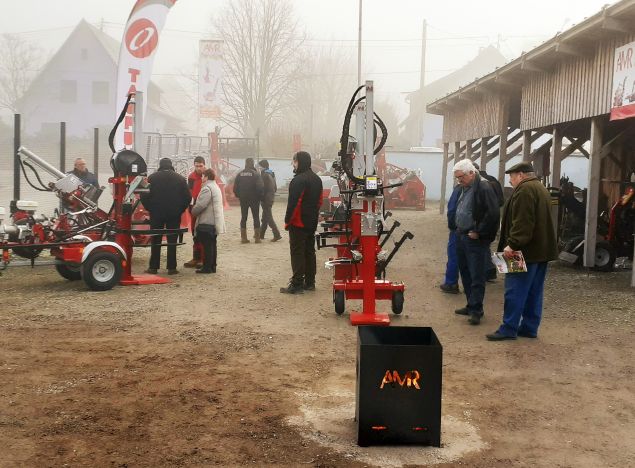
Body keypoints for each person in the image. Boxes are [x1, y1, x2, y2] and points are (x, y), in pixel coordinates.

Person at [486, 162, 558, 341]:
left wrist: (513, 244)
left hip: (523, 252)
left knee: (514, 290)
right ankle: (529, 327)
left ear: (520, 174)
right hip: (541, 251)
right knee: (534, 292)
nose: (510, 181)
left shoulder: (524, 190)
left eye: (511, 176)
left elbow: (523, 221)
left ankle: (508, 328)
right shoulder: (540, 188)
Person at [451, 159, 500, 325]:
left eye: (461, 177)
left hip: (474, 239)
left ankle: (477, 310)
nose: (459, 180)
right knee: (464, 272)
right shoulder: (465, 187)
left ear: (471, 173)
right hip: (462, 235)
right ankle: (471, 304)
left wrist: (479, 231)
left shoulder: (484, 187)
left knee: (476, 274)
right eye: (457, 178)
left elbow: (493, 214)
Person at [280, 151, 323, 294]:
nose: (293, 164)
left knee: (297, 252)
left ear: (299, 162)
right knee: (310, 251)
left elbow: (294, 203)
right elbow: (319, 202)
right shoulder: (317, 179)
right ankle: (310, 282)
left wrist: (287, 220)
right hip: (311, 221)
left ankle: (297, 283)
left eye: (294, 161)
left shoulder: (298, 180)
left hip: (298, 222)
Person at [141, 158, 191, 275]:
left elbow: (143, 195)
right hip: (174, 214)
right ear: (171, 165)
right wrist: (180, 209)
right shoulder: (180, 179)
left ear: (160, 165)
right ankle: (172, 268)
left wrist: (150, 208)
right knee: (172, 240)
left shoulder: (152, 178)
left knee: (156, 240)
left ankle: (153, 267)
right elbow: (188, 197)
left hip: (156, 213)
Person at [473, 161, 505, 282]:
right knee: (486, 246)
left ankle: (488, 272)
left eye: (512, 176)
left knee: (483, 246)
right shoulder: (493, 180)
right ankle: (490, 271)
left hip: (487, 221)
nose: (510, 181)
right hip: (494, 221)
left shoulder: (482, 184)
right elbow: (501, 202)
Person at [191, 168, 226, 274]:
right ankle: (212, 266)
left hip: (207, 221)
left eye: (203, 176)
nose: (202, 178)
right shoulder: (216, 187)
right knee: (212, 244)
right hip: (215, 221)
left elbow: (201, 205)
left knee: (207, 246)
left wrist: (193, 211)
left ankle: (206, 268)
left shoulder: (207, 188)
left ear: (206, 177)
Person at [233, 157, 264, 244]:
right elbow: (260, 187)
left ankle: (244, 238)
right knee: (256, 217)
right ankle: (257, 239)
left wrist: (239, 196)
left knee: (243, 217)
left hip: (243, 199)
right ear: (253, 163)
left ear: (245, 163)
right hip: (254, 199)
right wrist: (259, 197)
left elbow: (235, 188)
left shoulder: (240, 174)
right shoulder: (256, 174)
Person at [184, 156, 206, 268]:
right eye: (196, 166)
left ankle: (203, 258)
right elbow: (190, 193)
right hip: (194, 209)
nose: (198, 168)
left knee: (203, 234)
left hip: (204, 210)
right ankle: (196, 257)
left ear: (204, 165)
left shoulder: (208, 177)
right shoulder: (191, 177)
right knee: (195, 234)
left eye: (200, 166)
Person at [440, 184, 461, 294]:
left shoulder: (461, 188)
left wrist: (452, 226)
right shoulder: (486, 186)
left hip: (458, 230)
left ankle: (451, 283)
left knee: (454, 255)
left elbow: (452, 209)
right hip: (475, 232)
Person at [258, 159, 282, 242]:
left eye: (259, 166)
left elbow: (262, 188)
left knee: (268, 217)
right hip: (270, 197)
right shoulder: (271, 173)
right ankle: (261, 234)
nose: (259, 168)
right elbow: (275, 187)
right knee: (265, 217)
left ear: (263, 166)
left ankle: (277, 234)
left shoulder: (264, 175)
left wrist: (261, 197)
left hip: (266, 199)